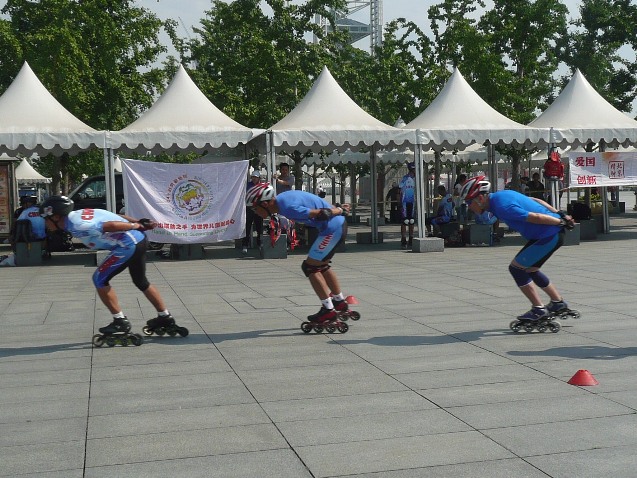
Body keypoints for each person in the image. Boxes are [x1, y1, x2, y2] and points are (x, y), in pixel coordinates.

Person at [39, 195, 184, 339]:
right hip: (138, 239)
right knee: (141, 281)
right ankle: (165, 316)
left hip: (128, 244)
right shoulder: (79, 214)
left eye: (45, 219)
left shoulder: (78, 225)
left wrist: (137, 225)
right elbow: (115, 216)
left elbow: (111, 225)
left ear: (56, 217)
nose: (45, 224)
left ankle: (120, 321)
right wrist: (138, 223)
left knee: (99, 279)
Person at [460, 175, 576, 323]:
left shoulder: (502, 207)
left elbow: (535, 217)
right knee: (531, 269)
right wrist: (561, 215)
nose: (469, 206)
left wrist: (560, 221)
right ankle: (557, 302)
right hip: (548, 234)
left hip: (548, 235)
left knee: (516, 269)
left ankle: (538, 309)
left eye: (469, 202)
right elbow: (536, 201)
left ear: (480, 198)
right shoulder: (500, 195)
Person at [245, 183, 351, 323]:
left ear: (265, 203)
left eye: (255, 208)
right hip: (334, 227)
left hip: (332, 229)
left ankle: (328, 310)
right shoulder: (283, 200)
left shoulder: (287, 207)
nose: (255, 212)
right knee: (322, 266)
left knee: (310, 267)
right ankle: (339, 302)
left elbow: (321, 213)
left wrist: (339, 209)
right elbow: (316, 203)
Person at [242, 170, 264, 254]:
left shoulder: (261, 186)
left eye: (256, 177)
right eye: (253, 177)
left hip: (258, 209)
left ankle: (260, 243)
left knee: (259, 227)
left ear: (259, 178)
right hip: (249, 208)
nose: (254, 179)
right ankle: (245, 244)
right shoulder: (248, 185)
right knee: (247, 226)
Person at [399, 162, 416, 249]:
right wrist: (400, 203)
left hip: (412, 202)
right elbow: (400, 189)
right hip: (405, 202)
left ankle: (411, 238)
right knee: (405, 221)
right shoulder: (405, 178)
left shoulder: (417, 179)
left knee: (412, 221)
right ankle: (403, 239)